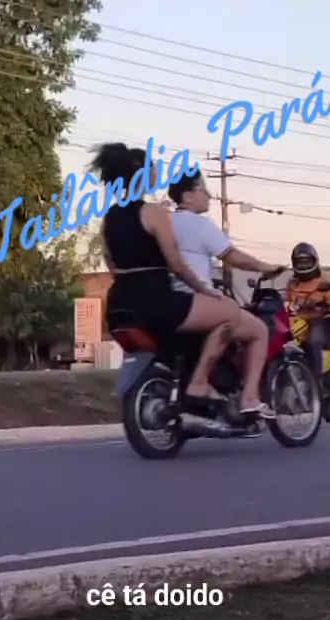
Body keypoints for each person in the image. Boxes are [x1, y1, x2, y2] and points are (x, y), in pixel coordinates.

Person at [91, 142, 277, 416]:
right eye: (153, 168)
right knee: (228, 311)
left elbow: (111, 264)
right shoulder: (154, 213)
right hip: (155, 300)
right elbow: (176, 264)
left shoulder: (109, 218)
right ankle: (202, 384)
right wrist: (204, 289)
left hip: (119, 303)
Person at [168, 169, 279, 298]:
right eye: (203, 190)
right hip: (196, 297)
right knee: (238, 311)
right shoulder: (197, 223)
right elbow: (234, 258)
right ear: (188, 197)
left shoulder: (168, 221)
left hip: (173, 297)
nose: (209, 195)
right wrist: (267, 267)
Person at [286, 243, 330, 377]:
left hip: (318, 319)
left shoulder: (323, 280)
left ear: (315, 261)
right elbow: (287, 300)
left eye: (307, 262)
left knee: (314, 342)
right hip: (297, 320)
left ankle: (317, 379)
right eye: (300, 262)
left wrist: (324, 303)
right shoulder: (292, 283)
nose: (304, 266)